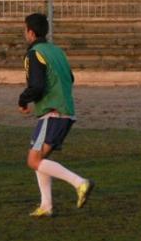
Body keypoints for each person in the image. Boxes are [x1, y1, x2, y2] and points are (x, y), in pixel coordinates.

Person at [18, 13, 94, 218]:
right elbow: (70, 77)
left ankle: (80, 183)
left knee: (33, 160)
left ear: (31, 32)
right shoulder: (57, 51)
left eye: (25, 30)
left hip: (52, 112)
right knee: (40, 158)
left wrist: (23, 100)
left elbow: (37, 86)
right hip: (66, 111)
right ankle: (46, 205)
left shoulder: (34, 53)